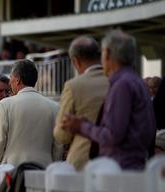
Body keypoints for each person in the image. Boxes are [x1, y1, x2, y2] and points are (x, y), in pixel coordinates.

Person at [62, 30, 156, 170]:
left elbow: (113, 136)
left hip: (120, 169)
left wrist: (82, 127)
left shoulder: (122, 85)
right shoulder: (137, 81)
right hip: (135, 165)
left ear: (108, 54)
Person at [0, 59, 60, 170]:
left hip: (13, 174)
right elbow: (58, 146)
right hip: (45, 171)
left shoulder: (5, 105)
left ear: (18, 80)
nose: (10, 83)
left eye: (11, 78)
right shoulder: (55, 106)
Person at [53, 36, 109, 171]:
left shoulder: (73, 86)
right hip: (115, 163)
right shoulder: (117, 81)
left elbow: (62, 135)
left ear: (75, 61)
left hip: (83, 162)